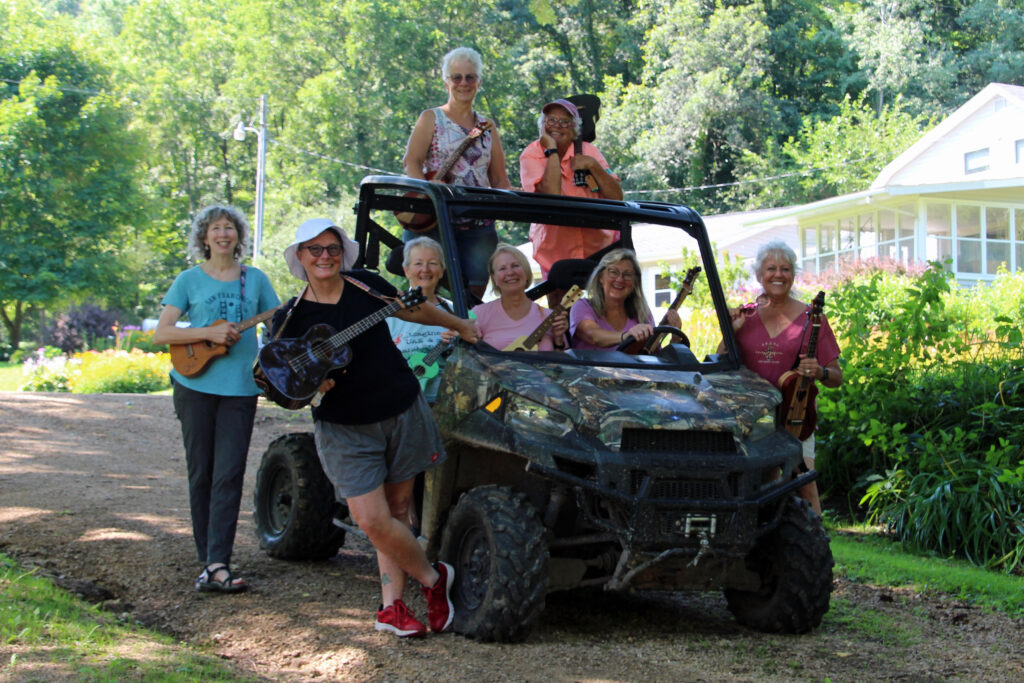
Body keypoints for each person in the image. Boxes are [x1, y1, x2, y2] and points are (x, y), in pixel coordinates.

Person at [271, 218, 479, 637]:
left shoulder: (365, 285)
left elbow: (412, 308)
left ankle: (392, 608)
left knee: (398, 510)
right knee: (370, 519)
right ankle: (433, 578)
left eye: (333, 248)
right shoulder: (289, 318)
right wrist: (313, 387)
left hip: (399, 407)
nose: (325, 257)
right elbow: (281, 384)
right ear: (301, 257)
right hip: (344, 426)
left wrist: (459, 325)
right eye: (315, 250)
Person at [152, 204, 280, 593]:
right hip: (193, 386)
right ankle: (207, 557)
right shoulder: (188, 280)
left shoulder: (255, 280)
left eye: (229, 228)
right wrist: (207, 333)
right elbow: (162, 333)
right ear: (205, 238)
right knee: (201, 472)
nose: (223, 234)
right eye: (216, 228)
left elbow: (278, 322)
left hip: (240, 389)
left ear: (238, 236)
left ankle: (217, 562)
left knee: (229, 473)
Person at [722, 240, 842, 514]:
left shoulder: (813, 319)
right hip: (751, 419)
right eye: (771, 268)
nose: (778, 274)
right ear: (759, 275)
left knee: (804, 483)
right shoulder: (745, 315)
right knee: (760, 487)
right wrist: (732, 330)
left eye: (785, 269)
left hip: (795, 417)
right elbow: (719, 364)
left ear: (793, 274)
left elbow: (836, 377)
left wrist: (820, 371)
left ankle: (814, 539)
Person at [402, 46, 512, 301]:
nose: (464, 83)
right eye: (457, 77)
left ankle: (465, 325)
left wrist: (511, 198)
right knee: (426, 286)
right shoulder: (430, 118)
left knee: (473, 291)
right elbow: (411, 162)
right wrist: (428, 193)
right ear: (446, 82)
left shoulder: (487, 126)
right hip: (434, 218)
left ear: (479, 82)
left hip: (477, 220)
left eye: (470, 77)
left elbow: (499, 178)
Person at [519, 98, 623, 286]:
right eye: (551, 120)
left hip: (600, 250)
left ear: (575, 130)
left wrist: (593, 165)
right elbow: (551, 196)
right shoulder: (531, 154)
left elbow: (617, 197)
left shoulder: (589, 151)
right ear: (542, 126)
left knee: (603, 302)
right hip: (555, 252)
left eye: (565, 122)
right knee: (560, 303)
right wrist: (552, 150)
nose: (557, 126)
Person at [387, 236, 459, 403]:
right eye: (418, 263)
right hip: (399, 403)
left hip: (444, 403)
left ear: (441, 270)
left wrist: (459, 342)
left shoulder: (456, 312)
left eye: (432, 263)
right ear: (406, 270)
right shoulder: (389, 314)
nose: (425, 269)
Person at [570, 249, 680, 350]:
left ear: (635, 282)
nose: (620, 279)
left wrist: (675, 338)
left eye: (627, 275)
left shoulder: (643, 314)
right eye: (613, 272)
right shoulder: (583, 306)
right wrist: (626, 336)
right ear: (600, 277)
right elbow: (593, 336)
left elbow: (654, 354)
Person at [471, 244, 568, 352]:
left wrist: (559, 340)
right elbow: (467, 355)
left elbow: (562, 361)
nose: (510, 273)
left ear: (526, 272)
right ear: (494, 278)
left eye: (515, 266)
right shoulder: (479, 314)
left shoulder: (549, 317)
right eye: (502, 268)